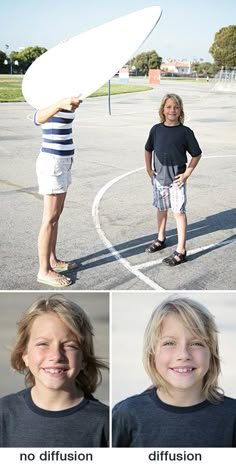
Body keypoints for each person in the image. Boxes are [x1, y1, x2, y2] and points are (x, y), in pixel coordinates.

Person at [112, 296, 236, 447]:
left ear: (211, 354)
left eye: (196, 343)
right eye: (169, 343)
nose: (183, 354)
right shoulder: (127, 414)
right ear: (152, 354)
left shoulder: (231, 415)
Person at [0, 294, 109, 447]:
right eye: (43, 344)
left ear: (83, 359)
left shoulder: (105, 423)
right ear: (25, 354)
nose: (56, 356)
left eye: (69, 346)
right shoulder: (4, 413)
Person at [144, 93, 202, 266]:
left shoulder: (185, 132)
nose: (172, 110)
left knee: (179, 213)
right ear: (163, 109)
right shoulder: (156, 129)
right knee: (161, 210)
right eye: (168, 107)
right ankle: (161, 238)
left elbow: (197, 155)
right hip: (159, 179)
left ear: (180, 110)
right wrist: (149, 169)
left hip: (177, 181)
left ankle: (181, 250)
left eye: (176, 107)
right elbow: (148, 149)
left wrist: (186, 174)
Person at [34, 96, 82, 287]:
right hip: (52, 161)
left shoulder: (63, 94)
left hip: (64, 161)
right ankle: (44, 271)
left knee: (56, 216)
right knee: (49, 219)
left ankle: (52, 260)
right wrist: (60, 104)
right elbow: (37, 118)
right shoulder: (46, 96)